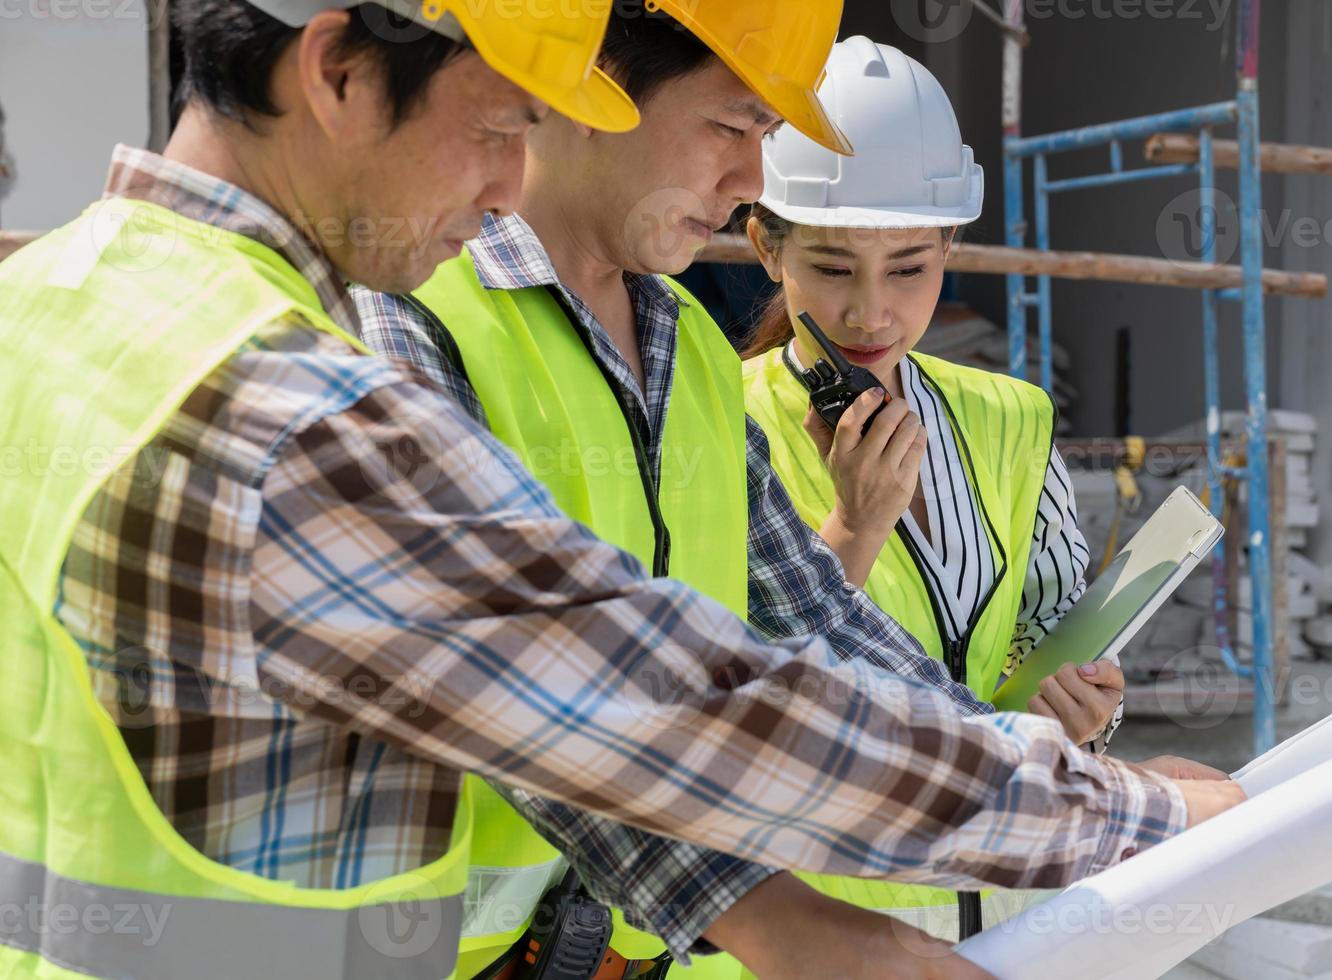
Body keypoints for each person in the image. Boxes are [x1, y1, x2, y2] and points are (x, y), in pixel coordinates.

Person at [0, 4, 1243, 980]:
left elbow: (793, 622)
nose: (506, 181)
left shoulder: (56, 302)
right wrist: (1107, 815)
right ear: (336, 72)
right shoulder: (281, 404)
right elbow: (648, 700)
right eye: (499, 124)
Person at [740, 37, 1127, 942]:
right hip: (818, 936)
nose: (870, 313)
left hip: (1004, 921)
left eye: (910, 268)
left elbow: (1045, 628)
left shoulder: (1010, 417)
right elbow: (723, 694)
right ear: (766, 244)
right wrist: (853, 528)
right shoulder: (710, 419)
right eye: (832, 268)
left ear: (951, 245)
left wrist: (1085, 708)